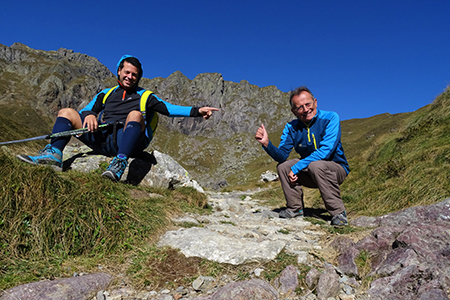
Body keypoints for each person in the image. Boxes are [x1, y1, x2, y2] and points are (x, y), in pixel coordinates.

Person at [17, 55, 219, 181]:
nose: (130, 77)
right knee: (67, 112)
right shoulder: (105, 93)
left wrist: (197, 111)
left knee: (135, 114)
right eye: (127, 72)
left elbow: (169, 109)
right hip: (102, 138)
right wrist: (89, 117)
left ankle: (120, 162)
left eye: (134, 74)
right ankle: (53, 155)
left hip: (128, 142)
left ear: (138, 78)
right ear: (119, 72)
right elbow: (86, 109)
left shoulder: (145, 96)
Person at [255, 86, 350, 226]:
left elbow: (326, 151)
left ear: (315, 102)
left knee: (316, 165)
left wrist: (297, 167)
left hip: (335, 169)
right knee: (283, 166)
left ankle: (338, 213)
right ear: (294, 111)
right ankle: (295, 209)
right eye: (300, 107)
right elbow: (282, 156)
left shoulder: (331, 118)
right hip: (310, 171)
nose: (305, 110)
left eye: (308, 104)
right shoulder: (291, 127)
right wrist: (267, 144)